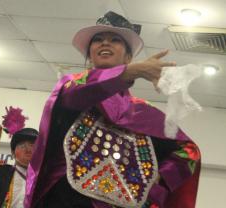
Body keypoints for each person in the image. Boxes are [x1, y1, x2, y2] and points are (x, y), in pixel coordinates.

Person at [25, 11, 201, 208]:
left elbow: (188, 152)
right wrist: (135, 71)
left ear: (127, 56)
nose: (105, 43)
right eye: (98, 39)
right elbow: (81, 92)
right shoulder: (72, 89)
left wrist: (155, 184)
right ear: (89, 55)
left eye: (115, 40)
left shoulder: (144, 113)